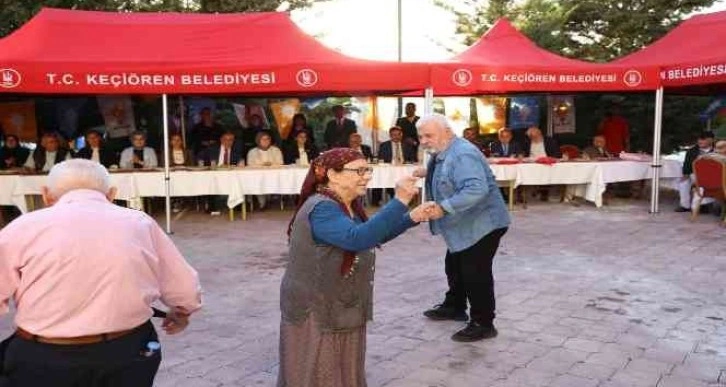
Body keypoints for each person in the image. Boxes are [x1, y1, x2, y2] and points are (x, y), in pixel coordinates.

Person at [0, 159, 202, 387]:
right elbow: (183, 287)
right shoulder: (139, 223)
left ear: (46, 195)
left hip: (43, 356)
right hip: (129, 351)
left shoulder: (22, 228)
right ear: (112, 194)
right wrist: (182, 311)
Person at [278, 148, 435, 387]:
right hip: (317, 308)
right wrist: (400, 201)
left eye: (368, 170)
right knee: (321, 371)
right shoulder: (322, 207)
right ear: (333, 174)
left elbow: (370, 235)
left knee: (342, 368)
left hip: (340, 302)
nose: (366, 176)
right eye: (359, 171)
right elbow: (357, 239)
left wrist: (411, 217)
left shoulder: (344, 204)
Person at [416, 114, 511, 342]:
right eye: (420, 136)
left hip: (482, 224)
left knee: (475, 273)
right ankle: (455, 306)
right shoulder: (446, 149)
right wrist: (428, 173)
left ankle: (483, 323)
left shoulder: (463, 153)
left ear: (447, 132)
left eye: (428, 135)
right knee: (455, 264)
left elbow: (476, 189)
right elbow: (451, 173)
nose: (423, 141)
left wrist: (444, 207)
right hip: (465, 223)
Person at [676, 131, 715, 212]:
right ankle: (685, 205)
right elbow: (687, 165)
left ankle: (703, 205)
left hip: (714, 175)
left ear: (711, 140)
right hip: (695, 174)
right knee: (683, 182)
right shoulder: (692, 151)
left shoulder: (717, 150)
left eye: (703, 139)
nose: (700, 141)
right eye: (699, 139)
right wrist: (686, 174)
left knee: (704, 182)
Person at [247, 132, 284, 210]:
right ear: (258, 140)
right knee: (258, 181)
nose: (266, 141)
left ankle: (272, 198)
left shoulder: (276, 150)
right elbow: (250, 164)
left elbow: (281, 162)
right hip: (257, 177)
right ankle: (262, 203)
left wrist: (271, 164)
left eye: (268, 139)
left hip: (274, 176)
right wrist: (262, 164)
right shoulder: (252, 152)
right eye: (263, 139)